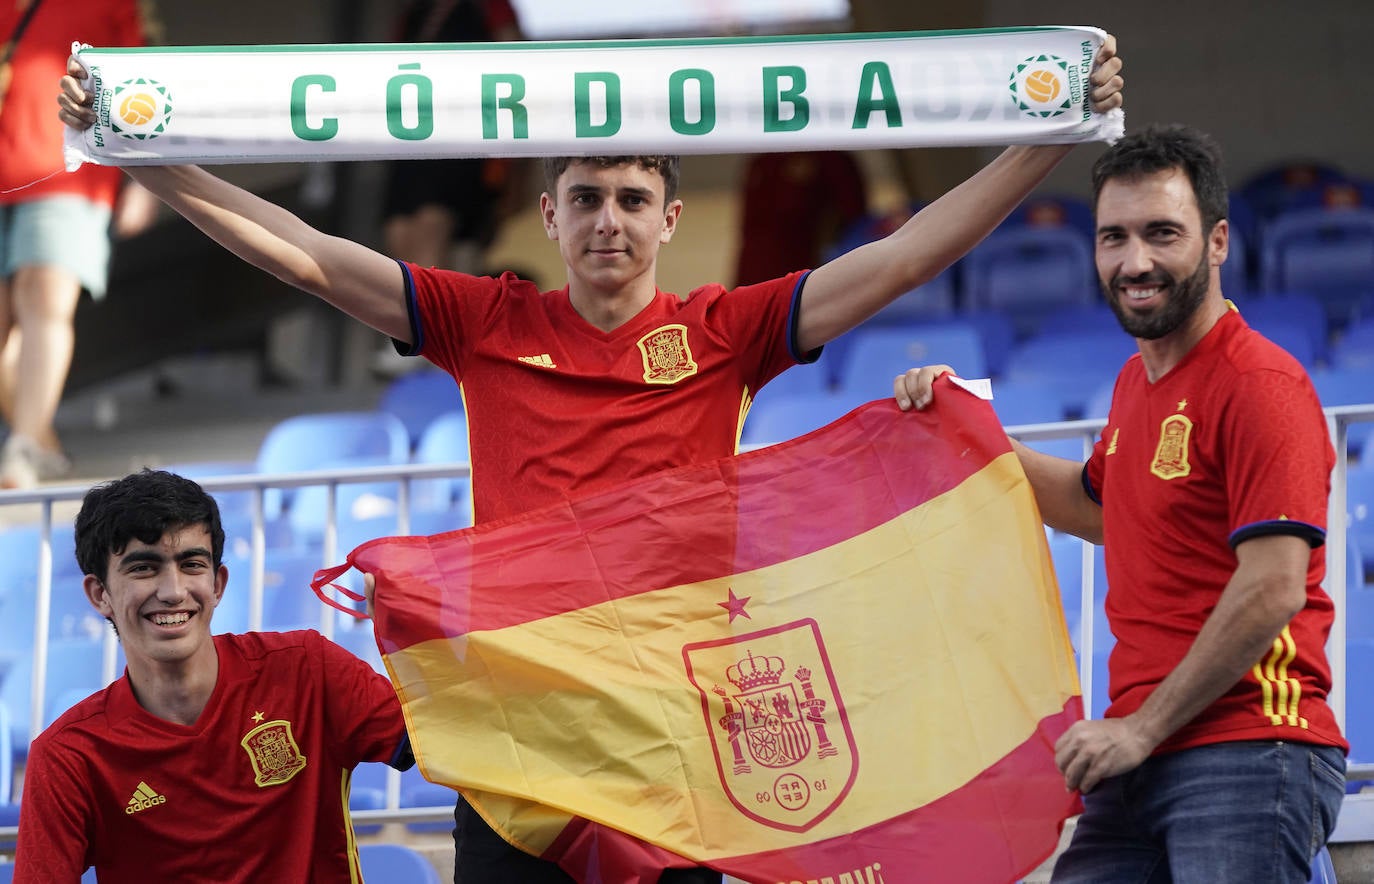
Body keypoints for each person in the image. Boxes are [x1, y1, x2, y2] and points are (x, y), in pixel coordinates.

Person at [60, 42, 1124, 884]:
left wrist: (1045, 142)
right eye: (585, 195)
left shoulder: (727, 329)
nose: (606, 218)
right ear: (549, 214)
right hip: (520, 727)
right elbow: (311, 254)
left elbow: (900, 257)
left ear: (668, 217)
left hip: (677, 738)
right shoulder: (486, 319)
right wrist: (155, 164)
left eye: (628, 197)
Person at [894, 124, 1346, 883]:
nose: (1135, 261)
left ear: (1218, 242)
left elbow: (1274, 585)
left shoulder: (1260, 383)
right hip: (1140, 757)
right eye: (1115, 237)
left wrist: (1140, 727)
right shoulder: (1136, 386)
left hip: (1249, 742)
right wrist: (959, 429)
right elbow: (1097, 508)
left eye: (1161, 233)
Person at [13, 469, 414, 883]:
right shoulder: (67, 758)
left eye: (191, 564)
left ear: (218, 583)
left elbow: (444, 741)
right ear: (100, 595)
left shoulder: (307, 668)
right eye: (144, 568)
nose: (172, 590)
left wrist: (422, 643)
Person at [0, 0, 159, 488]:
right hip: (14, 167)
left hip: (69, 171)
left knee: (43, 299)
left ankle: (24, 447)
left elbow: (142, 90)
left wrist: (147, 181)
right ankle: (37, 440)